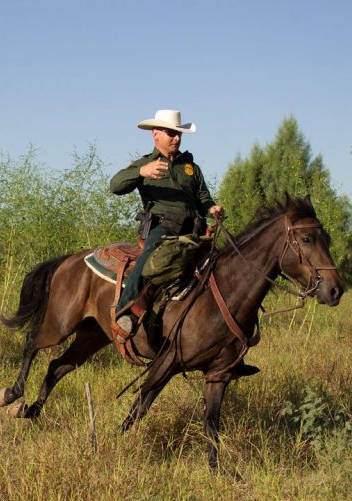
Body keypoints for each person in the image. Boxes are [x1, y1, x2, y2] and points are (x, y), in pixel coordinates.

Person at [109, 109, 258, 375]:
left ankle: (232, 348)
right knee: (147, 261)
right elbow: (115, 185)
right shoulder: (144, 164)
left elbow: (203, 198)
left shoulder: (190, 167)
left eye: (178, 134)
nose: (176, 138)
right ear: (155, 134)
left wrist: (212, 208)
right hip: (163, 229)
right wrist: (141, 172)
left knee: (227, 272)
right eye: (171, 133)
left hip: (196, 232)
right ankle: (125, 314)